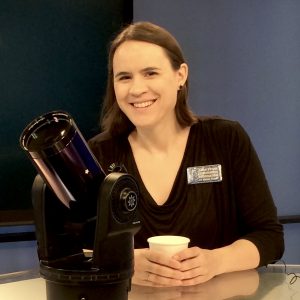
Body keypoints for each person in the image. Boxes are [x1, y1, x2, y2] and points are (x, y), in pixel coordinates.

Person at [88, 21, 284, 287]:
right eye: (124, 77)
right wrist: (125, 261)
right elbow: (72, 252)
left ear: (180, 75)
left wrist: (216, 261)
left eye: (150, 73)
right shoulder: (98, 154)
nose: (136, 89)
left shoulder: (225, 139)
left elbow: (269, 237)